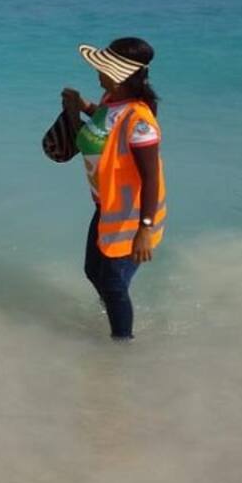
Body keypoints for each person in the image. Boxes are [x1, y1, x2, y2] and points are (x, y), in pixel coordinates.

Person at [61, 37, 166, 341]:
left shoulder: (141, 122)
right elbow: (107, 125)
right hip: (106, 207)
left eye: (102, 68)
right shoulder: (110, 101)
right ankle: (113, 310)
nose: (97, 73)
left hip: (131, 216)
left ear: (119, 76)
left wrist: (145, 228)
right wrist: (82, 106)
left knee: (114, 284)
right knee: (93, 270)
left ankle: (122, 346)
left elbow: (151, 178)